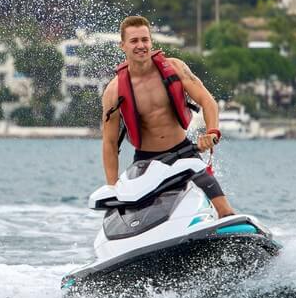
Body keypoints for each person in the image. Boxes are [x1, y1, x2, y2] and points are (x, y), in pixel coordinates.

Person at [101, 15, 236, 218]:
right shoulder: (114, 91)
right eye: (134, 41)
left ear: (151, 42)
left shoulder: (174, 68)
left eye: (145, 40)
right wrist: (113, 187)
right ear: (123, 46)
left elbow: (208, 102)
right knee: (136, 219)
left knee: (224, 210)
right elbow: (110, 143)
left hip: (185, 152)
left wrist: (212, 132)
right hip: (146, 162)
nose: (141, 45)